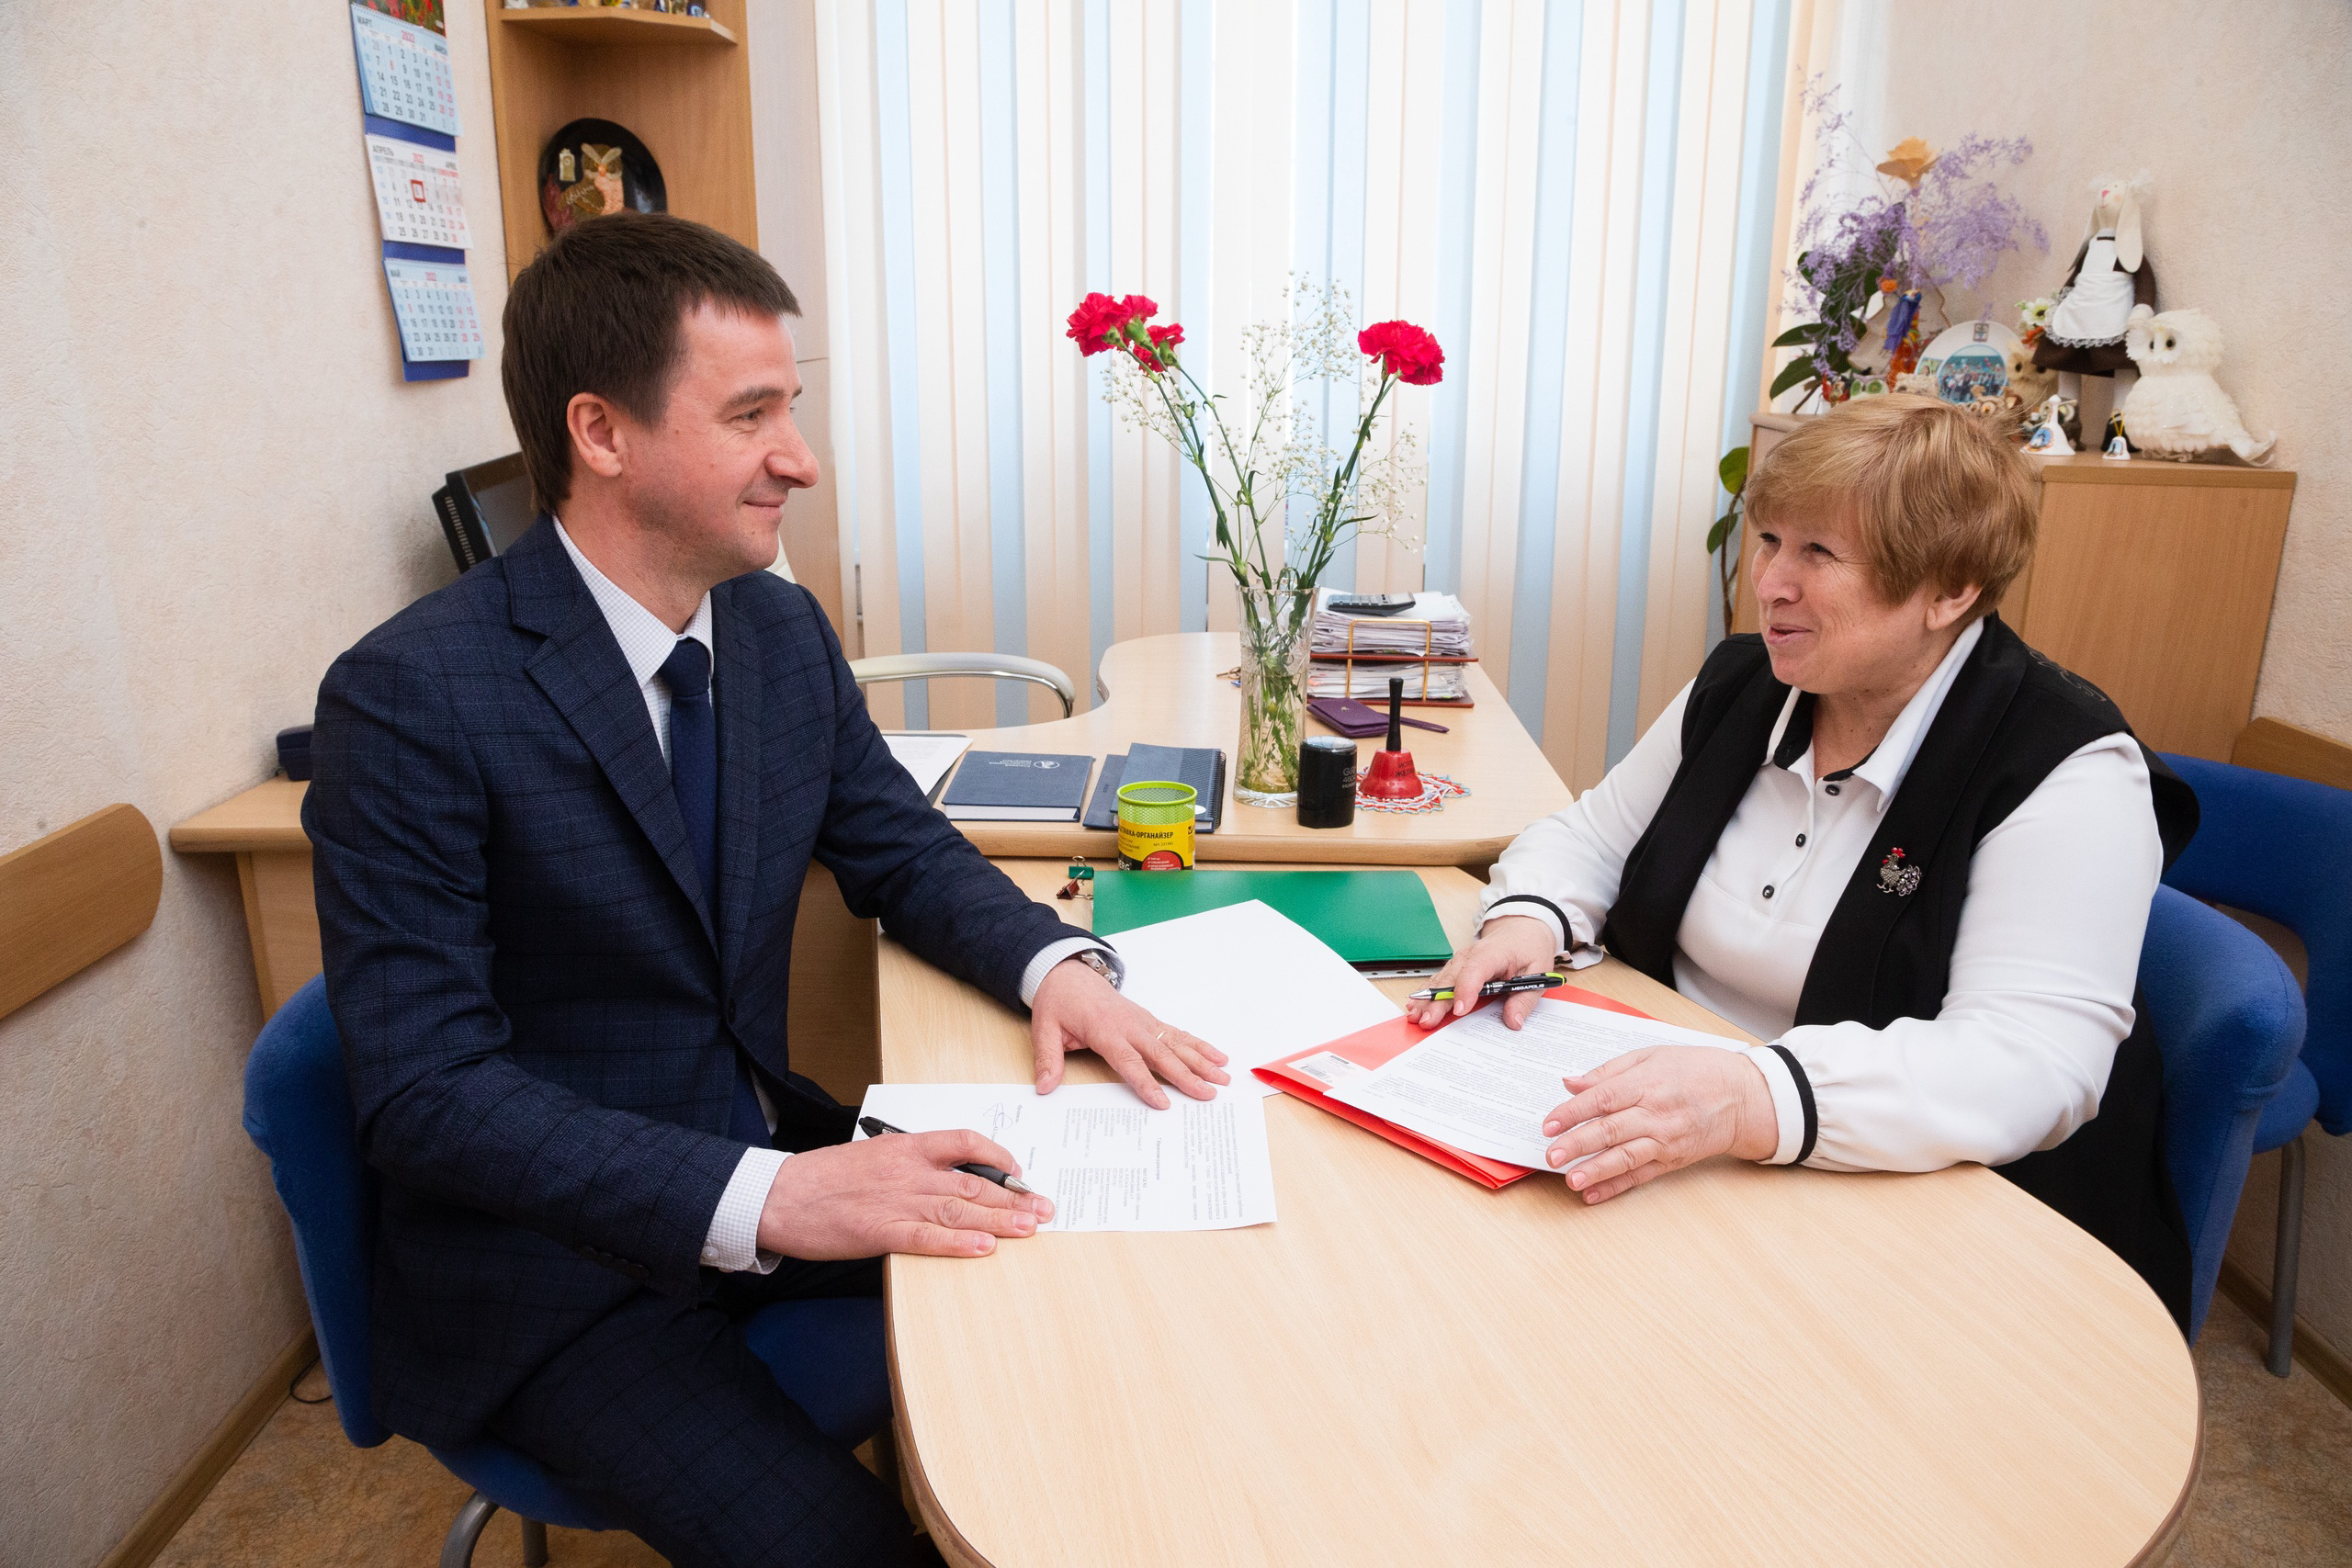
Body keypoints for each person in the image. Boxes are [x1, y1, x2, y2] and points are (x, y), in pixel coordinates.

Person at [304, 212, 1228, 1567]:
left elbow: (896, 848)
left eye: (791, 408)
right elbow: (427, 1092)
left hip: (770, 1174)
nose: (799, 458)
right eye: (751, 415)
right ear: (602, 433)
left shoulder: (775, 627)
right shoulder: (410, 697)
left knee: (1107, 1305)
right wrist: (773, 1197)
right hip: (561, 1275)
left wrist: (1057, 970)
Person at [1423, 394, 2195, 1324]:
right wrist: (1527, 918)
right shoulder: (1745, 683)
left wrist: (1752, 1098)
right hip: (1689, 1158)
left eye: (1818, 555)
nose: (1771, 584)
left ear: (1948, 591)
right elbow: (1589, 835)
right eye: (1769, 541)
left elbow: (2032, 1064)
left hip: (1921, 1232)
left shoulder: (2064, 771)